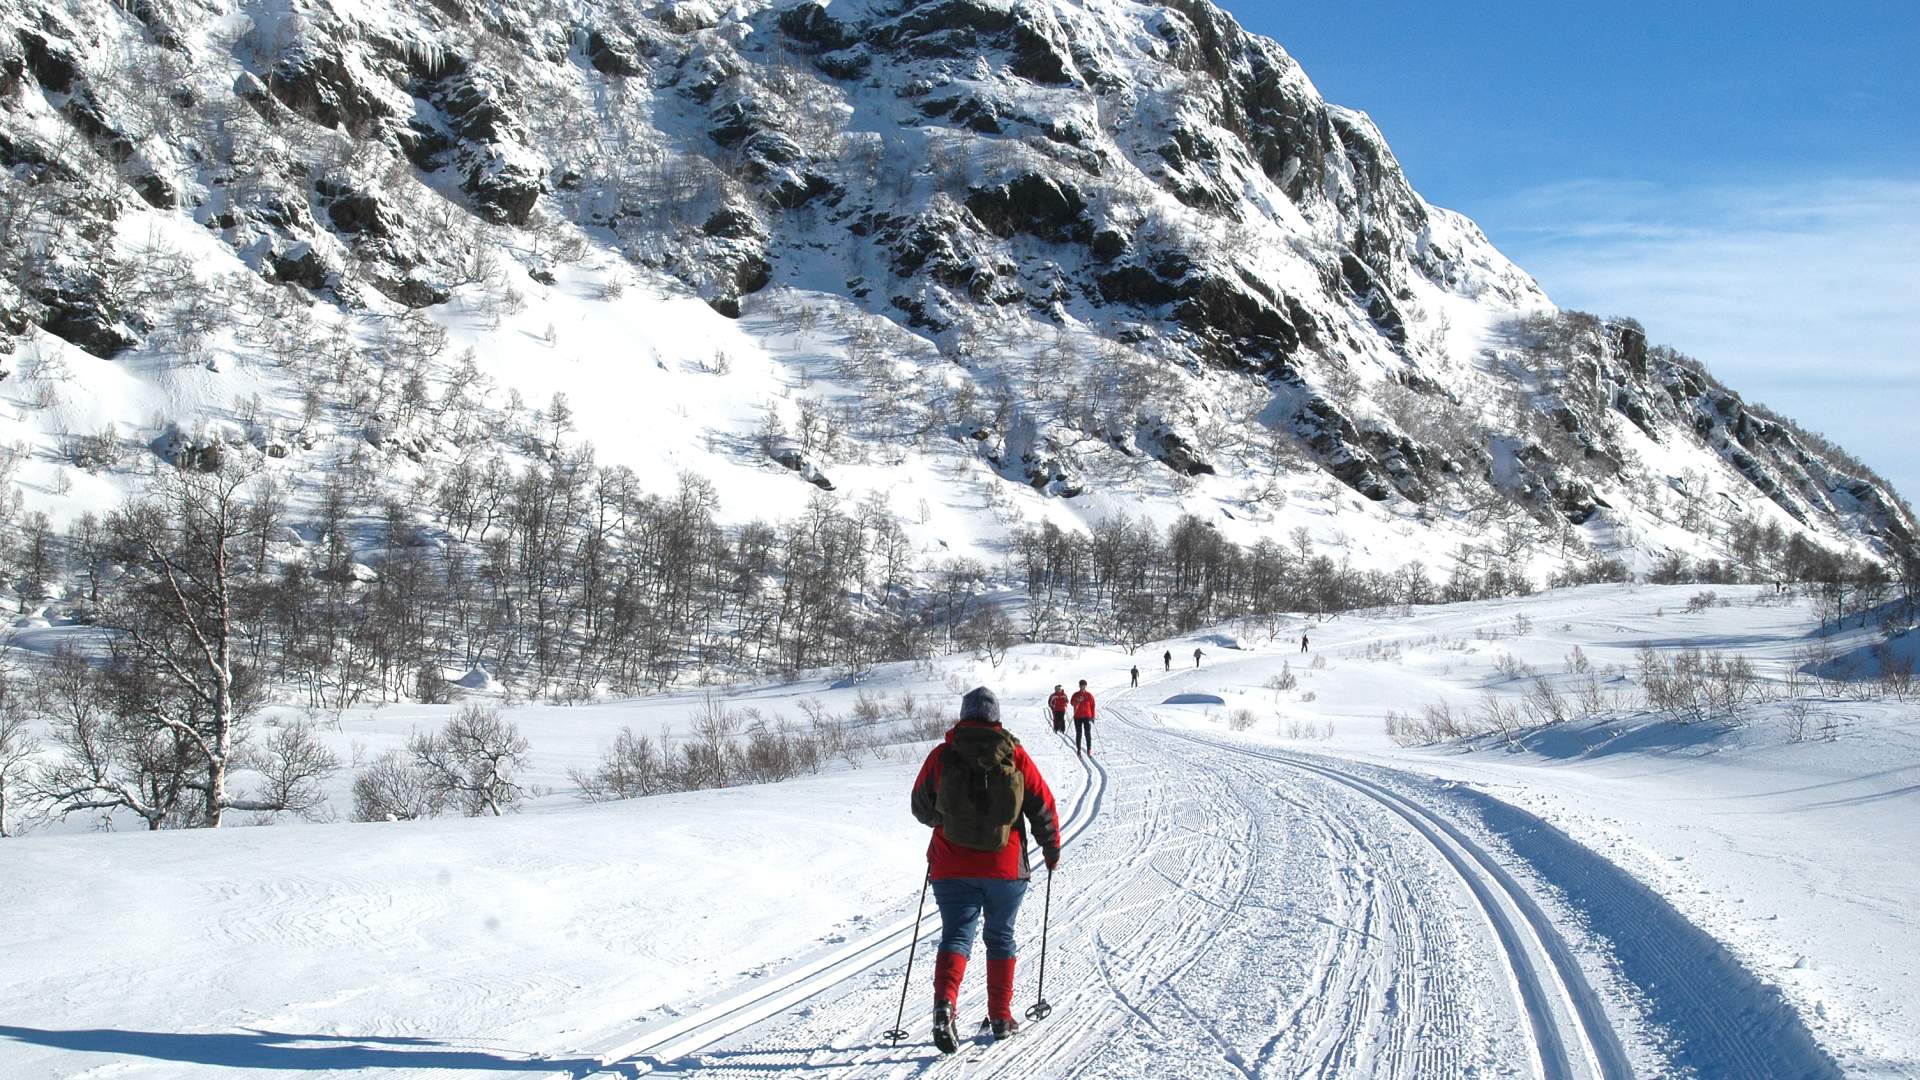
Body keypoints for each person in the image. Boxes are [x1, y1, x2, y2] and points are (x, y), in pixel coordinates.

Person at [910, 688, 1062, 1051]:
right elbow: (1042, 805)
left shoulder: (942, 756)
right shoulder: (1015, 755)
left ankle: (945, 1008)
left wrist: (945, 821)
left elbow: (919, 806)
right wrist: (1051, 849)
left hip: (951, 864)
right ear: (996, 718)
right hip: (1004, 866)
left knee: (956, 937)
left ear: (964, 716)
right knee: (1000, 938)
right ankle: (1000, 1017)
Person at [1069, 680, 1096, 757]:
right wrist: (1077, 701)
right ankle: (1078, 749)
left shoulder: (1089, 695)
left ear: (1085, 686)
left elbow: (1092, 706)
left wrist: (1093, 716)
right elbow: (1072, 703)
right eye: (1081, 685)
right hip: (1077, 716)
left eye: (1083, 685)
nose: (1082, 687)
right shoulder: (1076, 694)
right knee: (1079, 733)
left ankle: (1089, 749)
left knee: (1087, 733)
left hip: (1087, 716)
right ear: (1079, 686)